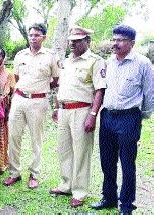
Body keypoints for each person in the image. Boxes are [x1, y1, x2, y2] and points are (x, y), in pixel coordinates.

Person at [90, 25, 154, 214]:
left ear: (132, 43)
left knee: (127, 163)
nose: (115, 43)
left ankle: (126, 204)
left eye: (120, 40)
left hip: (129, 118)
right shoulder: (108, 62)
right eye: (114, 39)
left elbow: (150, 93)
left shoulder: (142, 63)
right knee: (107, 161)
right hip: (108, 116)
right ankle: (109, 197)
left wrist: (141, 115)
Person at [49, 26, 106, 207]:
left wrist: (93, 114)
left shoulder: (95, 61)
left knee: (81, 152)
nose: (72, 44)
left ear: (87, 41)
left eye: (77, 40)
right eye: (71, 40)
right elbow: (62, 87)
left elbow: (99, 90)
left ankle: (80, 191)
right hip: (64, 110)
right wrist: (57, 107)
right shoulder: (66, 61)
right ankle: (66, 184)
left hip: (82, 110)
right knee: (64, 149)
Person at [3, 23, 59, 189]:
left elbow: (56, 80)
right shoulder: (21, 55)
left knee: (36, 139)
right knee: (14, 136)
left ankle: (34, 174)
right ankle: (14, 173)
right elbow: (17, 77)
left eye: (37, 35)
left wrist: (39, 90)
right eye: (31, 35)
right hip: (19, 99)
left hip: (38, 101)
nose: (33, 38)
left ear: (44, 37)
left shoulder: (51, 56)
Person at [0, 48, 14, 175]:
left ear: (3, 58)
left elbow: (10, 94)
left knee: (1, 136)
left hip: (2, 108)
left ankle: (2, 164)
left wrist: (7, 111)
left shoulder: (8, 74)